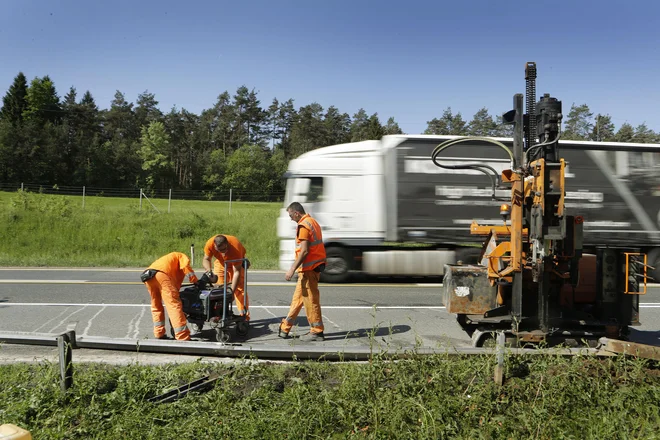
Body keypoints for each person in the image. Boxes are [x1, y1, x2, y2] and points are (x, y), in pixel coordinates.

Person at [279, 202, 327, 341]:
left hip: (309, 269)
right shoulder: (312, 221)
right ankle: (285, 328)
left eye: (290, 215)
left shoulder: (303, 225)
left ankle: (316, 332)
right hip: (311, 267)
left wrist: (292, 269)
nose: (290, 218)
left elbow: (304, 251)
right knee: (298, 299)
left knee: (311, 300)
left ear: (296, 213)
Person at [141, 251, 198, 341]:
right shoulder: (182, 256)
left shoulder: (169, 259)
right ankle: (182, 336)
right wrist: (195, 280)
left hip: (148, 276)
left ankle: (159, 333)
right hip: (162, 275)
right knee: (173, 305)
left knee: (156, 305)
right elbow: (186, 268)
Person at [202, 234, 250, 320]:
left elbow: (237, 272)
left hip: (235, 264)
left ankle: (244, 316)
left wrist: (232, 292)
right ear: (214, 245)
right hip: (221, 263)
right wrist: (209, 272)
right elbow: (206, 259)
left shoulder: (235, 247)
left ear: (227, 244)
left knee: (239, 289)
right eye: (218, 250)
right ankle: (219, 314)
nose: (222, 252)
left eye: (224, 249)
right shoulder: (210, 243)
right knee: (219, 289)